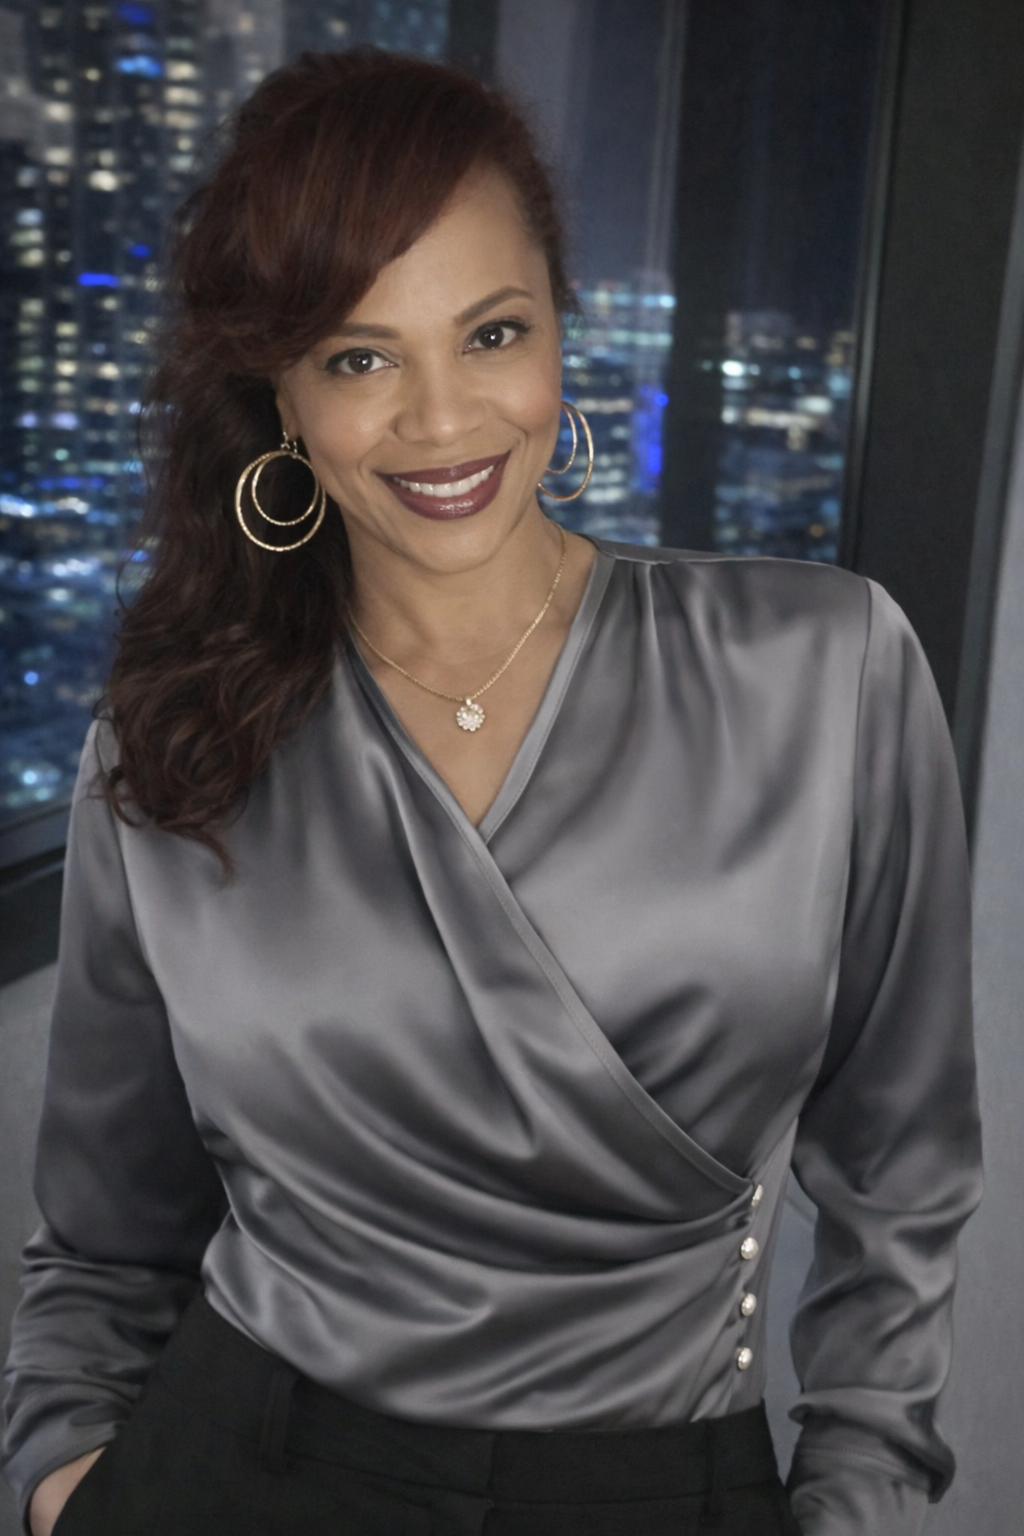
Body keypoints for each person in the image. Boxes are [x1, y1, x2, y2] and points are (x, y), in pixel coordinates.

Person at [1, 47, 981, 1536]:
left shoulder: (826, 667)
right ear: (277, 394)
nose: (444, 420)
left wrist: (865, 1497)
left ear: (558, 339)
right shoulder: (174, 733)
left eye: (492, 331)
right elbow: (101, 1231)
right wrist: (67, 1477)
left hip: (660, 1485)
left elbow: (904, 1169)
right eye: (357, 355)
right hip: (228, 1473)